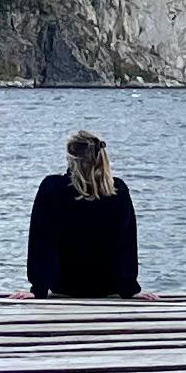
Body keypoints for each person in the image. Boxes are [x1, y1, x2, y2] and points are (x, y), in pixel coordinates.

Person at [24, 128, 141, 298]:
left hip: (64, 287)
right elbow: (126, 245)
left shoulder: (52, 188)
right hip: (107, 288)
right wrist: (130, 289)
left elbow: (41, 242)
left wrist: (38, 289)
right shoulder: (117, 191)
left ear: (71, 158)